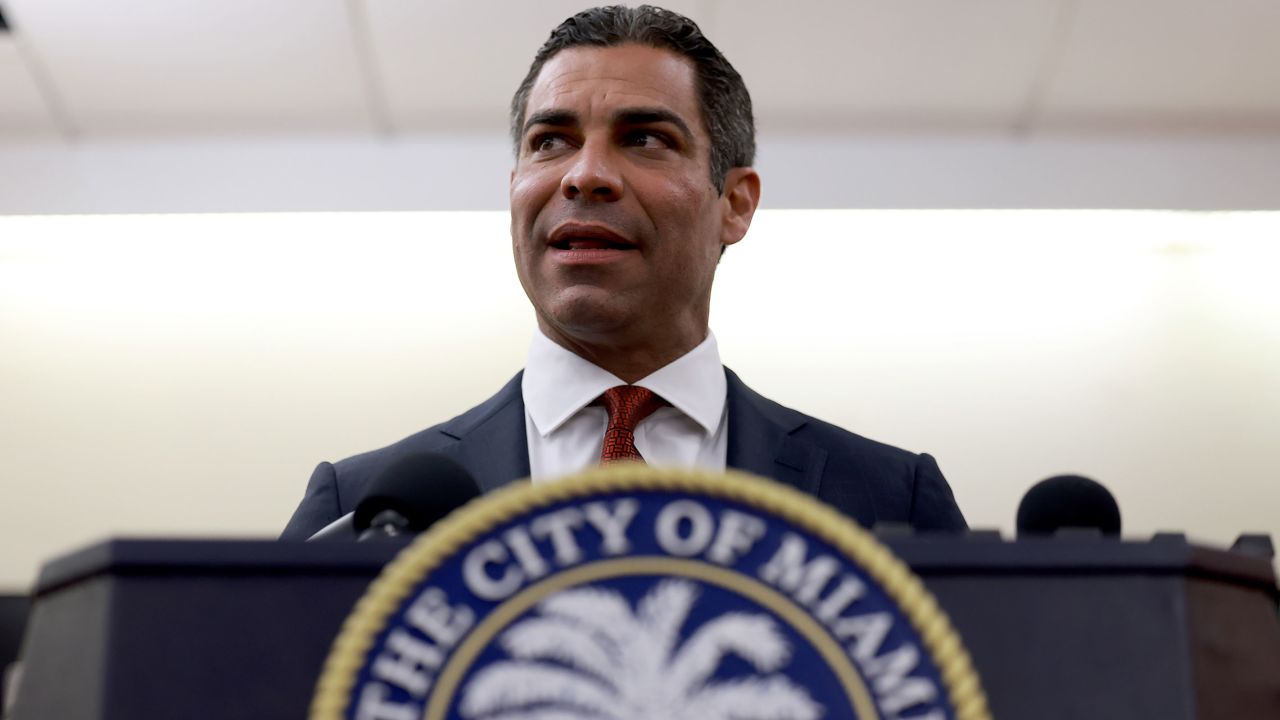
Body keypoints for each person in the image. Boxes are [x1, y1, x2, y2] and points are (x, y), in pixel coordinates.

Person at [281, 4, 965, 540]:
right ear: (515, 185)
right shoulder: (363, 512)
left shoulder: (888, 498)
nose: (585, 175)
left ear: (735, 202)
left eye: (644, 139)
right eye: (551, 142)